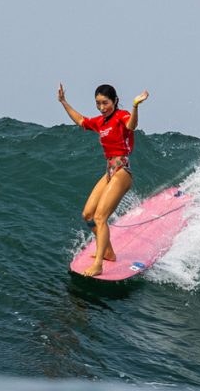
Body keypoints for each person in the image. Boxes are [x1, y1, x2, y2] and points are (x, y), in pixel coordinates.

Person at [58, 83, 150, 276]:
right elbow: (81, 121)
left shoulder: (121, 116)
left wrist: (135, 106)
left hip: (122, 170)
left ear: (115, 101)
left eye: (105, 103)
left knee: (100, 217)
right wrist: (63, 102)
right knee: (88, 215)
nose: (101, 107)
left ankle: (98, 264)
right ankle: (108, 251)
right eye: (98, 103)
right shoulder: (100, 122)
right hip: (109, 170)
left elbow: (131, 126)